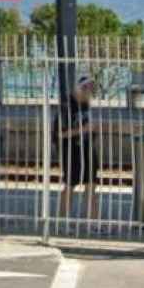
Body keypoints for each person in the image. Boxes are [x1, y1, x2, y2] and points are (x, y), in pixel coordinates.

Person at [55, 75, 99, 219]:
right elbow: (59, 134)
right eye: (88, 90)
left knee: (92, 184)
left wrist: (92, 131)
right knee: (70, 185)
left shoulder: (85, 104)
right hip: (71, 151)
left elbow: (89, 127)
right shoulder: (67, 107)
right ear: (81, 89)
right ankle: (62, 219)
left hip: (87, 149)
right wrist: (84, 129)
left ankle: (93, 221)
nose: (90, 94)